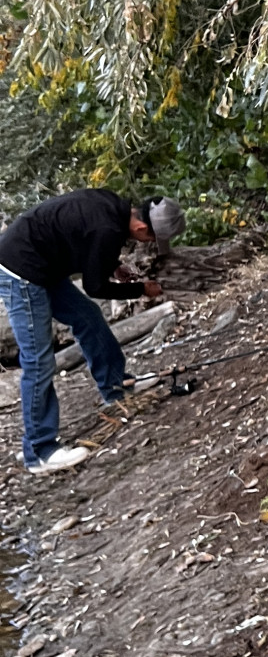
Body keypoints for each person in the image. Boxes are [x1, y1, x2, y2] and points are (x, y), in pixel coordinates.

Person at [0, 191, 185, 474]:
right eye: (151, 239)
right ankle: (39, 451)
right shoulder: (108, 228)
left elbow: (83, 238)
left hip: (43, 264)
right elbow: (95, 286)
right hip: (21, 272)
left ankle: (116, 387)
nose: (148, 244)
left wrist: (114, 266)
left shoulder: (113, 208)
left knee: (88, 317)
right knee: (38, 360)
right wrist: (139, 290)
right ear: (140, 227)